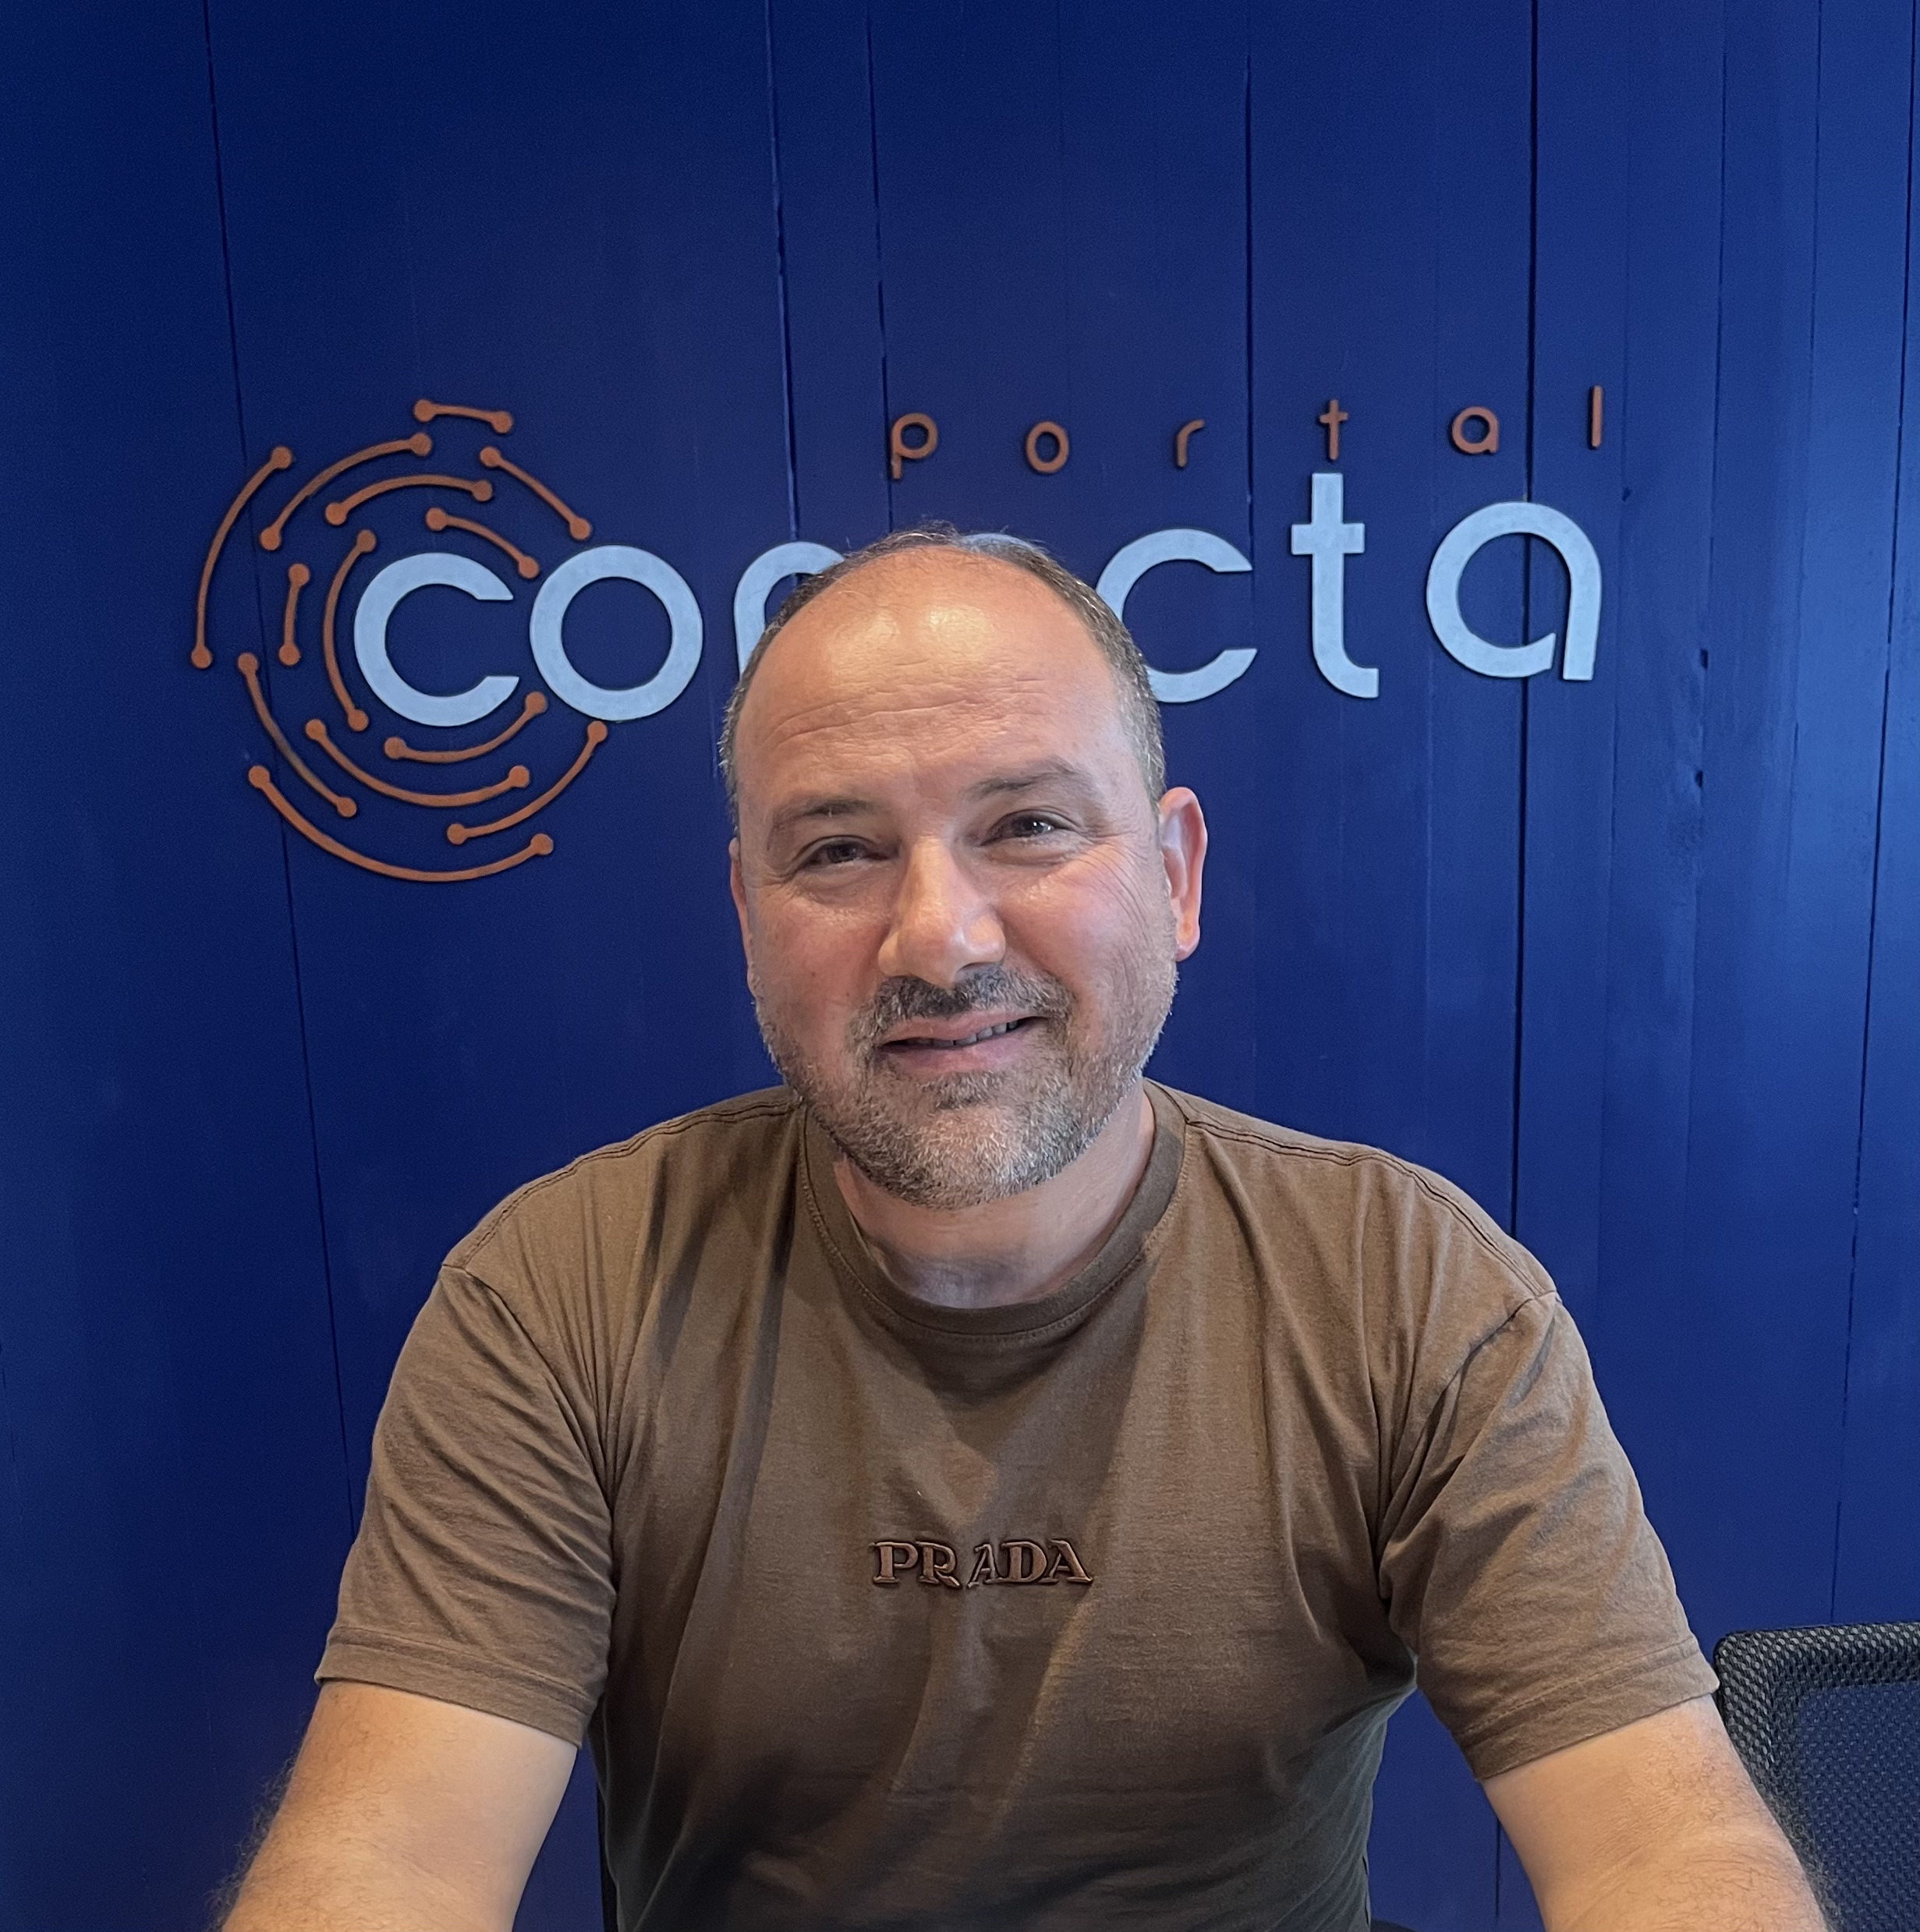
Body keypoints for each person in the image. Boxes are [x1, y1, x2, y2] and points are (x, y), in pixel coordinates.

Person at [221, 525, 1822, 1932]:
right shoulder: (560, 1293)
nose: (940, 937)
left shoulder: (1411, 1291)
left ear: (1175, 876)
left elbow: (1663, 1846)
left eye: (1030, 826)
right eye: (838, 850)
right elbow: (388, 1863)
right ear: (748, 919)